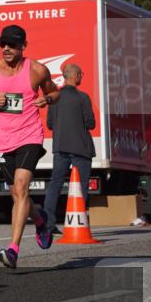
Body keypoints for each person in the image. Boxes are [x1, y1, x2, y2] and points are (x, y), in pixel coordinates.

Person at [0, 25, 59, 268]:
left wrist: (46, 99)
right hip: (1, 139)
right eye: (3, 44)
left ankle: (13, 250)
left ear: (23, 46)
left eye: (12, 44)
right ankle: (40, 221)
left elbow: (55, 92)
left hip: (29, 136)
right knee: (17, 194)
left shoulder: (37, 70)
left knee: (21, 187)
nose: (7, 48)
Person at [41, 64, 95, 232]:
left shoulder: (54, 98)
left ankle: (49, 224)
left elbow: (50, 124)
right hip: (81, 149)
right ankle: (77, 223)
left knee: (55, 185)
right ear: (76, 75)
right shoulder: (83, 98)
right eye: (81, 74)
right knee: (81, 187)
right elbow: (91, 123)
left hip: (60, 148)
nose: (82, 77)